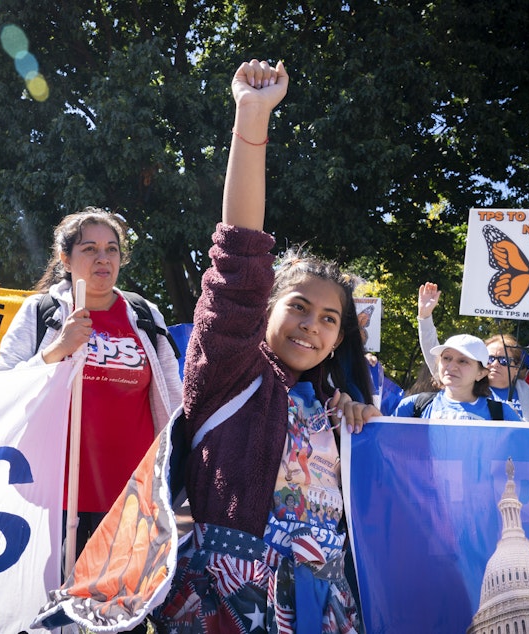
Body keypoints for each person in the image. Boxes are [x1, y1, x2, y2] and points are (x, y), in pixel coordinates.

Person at [149, 58, 379, 633]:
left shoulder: (333, 407)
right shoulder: (229, 370)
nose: (312, 325)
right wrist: (251, 119)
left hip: (322, 605)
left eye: (330, 319)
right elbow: (240, 256)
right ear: (264, 308)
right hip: (230, 602)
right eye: (298, 306)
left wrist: (360, 428)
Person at [0, 206, 182, 557]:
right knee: (58, 598)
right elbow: (2, 386)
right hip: (59, 494)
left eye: (111, 248)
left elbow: (172, 393)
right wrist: (57, 350)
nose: (103, 258)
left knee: (120, 599)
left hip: (133, 492)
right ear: (65, 258)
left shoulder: (144, 313)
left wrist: (172, 466)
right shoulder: (41, 311)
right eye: (89, 249)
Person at [417, 282, 529, 424]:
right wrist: (425, 317)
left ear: (516, 368)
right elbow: (433, 353)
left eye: (504, 361)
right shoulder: (460, 383)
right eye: (490, 359)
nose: (495, 364)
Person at [393, 334, 520, 420]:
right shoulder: (413, 406)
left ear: (481, 373)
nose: (451, 366)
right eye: (446, 358)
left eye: (463, 361)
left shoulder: (502, 413)